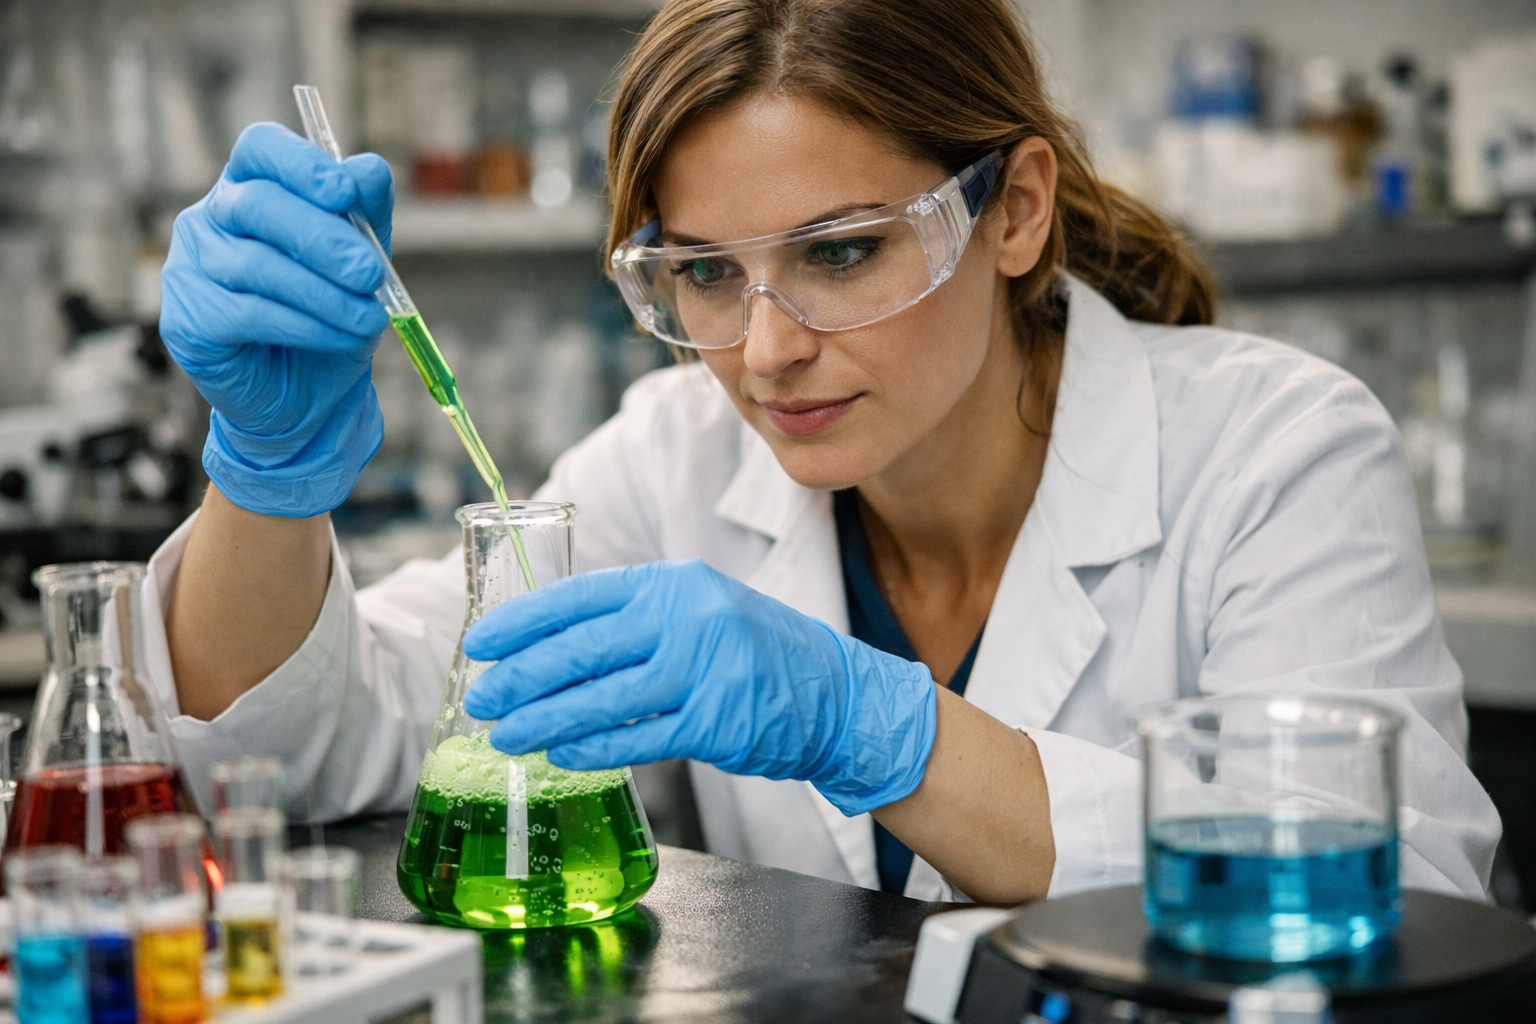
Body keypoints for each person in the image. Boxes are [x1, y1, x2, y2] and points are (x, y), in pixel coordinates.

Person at [152, 0, 1498, 903]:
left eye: (840, 252)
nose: (764, 348)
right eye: (702, 275)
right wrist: (266, 472)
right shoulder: (670, 457)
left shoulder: (1273, 451)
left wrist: (878, 728)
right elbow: (312, 747)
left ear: (1013, 209)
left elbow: (1400, 891)